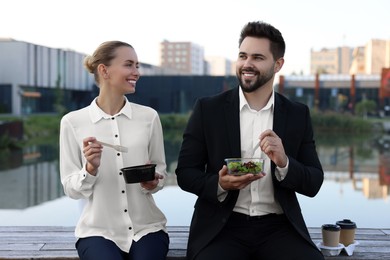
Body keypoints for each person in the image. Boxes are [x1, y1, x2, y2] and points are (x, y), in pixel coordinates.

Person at [175, 21, 325, 260]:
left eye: (257, 57)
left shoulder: (298, 114)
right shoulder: (208, 109)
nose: (247, 64)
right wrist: (220, 184)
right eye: (243, 56)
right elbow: (185, 173)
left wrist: (285, 162)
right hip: (222, 227)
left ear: (278, 64)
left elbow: (314, 182)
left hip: (279, 227)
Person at [59, 41, 169, 260]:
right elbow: (71, 189)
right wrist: (90, 169)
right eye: (129, 65)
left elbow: (162, 172)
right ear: (104, 70)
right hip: (97, 232)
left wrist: (153, 182)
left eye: (137, 65)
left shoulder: (149, 117)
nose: (137, 72)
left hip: (147, 229)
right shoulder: (72, 122)